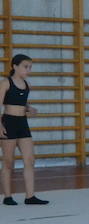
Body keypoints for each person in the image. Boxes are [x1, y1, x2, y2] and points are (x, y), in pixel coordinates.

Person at [1, 53, 50, 205]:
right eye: (25, 66)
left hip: (22, 123)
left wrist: (30, 108)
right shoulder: (5, 83)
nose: (28, 70)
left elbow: (21, 102)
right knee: (9, 162)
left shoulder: (27, 85)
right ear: (14, 66)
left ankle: (30, 196)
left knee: (30, 160)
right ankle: (7, 197)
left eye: (30, 67)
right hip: (8, 123)